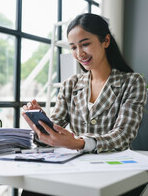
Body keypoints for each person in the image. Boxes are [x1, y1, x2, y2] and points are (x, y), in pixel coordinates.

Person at [21, 13, 147, 196]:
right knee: (33, 189)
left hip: (116, 170)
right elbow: (56, 126)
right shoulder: (70, 84)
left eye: (85, 44)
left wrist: (79, 143)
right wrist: (41, 123)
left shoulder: (133, 82)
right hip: (76, 167)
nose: (79, 54)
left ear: (105, 41)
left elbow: (123, 135)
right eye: (73, 47)